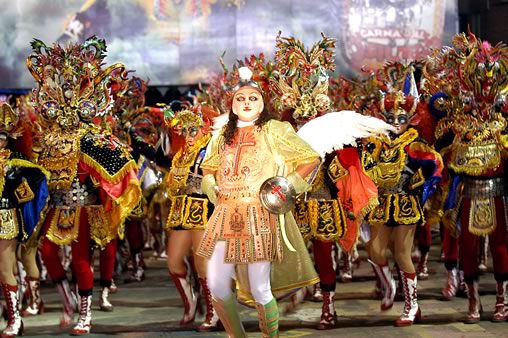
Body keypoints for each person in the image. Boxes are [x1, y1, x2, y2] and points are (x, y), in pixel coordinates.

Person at [28, 36, 141, 335]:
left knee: (80, 260)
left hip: (82, 207)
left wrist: (108, 188)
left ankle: (85, 314)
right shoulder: (48, 139)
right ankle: (67, 301)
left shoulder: (90, 138)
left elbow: (120, 164)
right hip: (56, 204)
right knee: (48, 254)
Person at [196, 67, 320, 338]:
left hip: (259, 214)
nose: (246, 103)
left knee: (260, 287)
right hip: (226, 213)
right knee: (216, 285)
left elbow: (310, 158)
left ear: (262, 103)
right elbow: (208, 167)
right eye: (241, 98)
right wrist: (211, 186)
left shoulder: (274, 130)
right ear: (232, 104)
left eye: (253, 98)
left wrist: (283, 188)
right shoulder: (221, 136)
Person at [363, 65, 444, 326]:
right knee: (374, 251)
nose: (395, 122)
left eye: (401, 118)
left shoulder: (414, 144)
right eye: (390, 117)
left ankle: (412, 306)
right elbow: (366, 170)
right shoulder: (376, 144)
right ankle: (389, 287)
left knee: (401, 253)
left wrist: (424, 186)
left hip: (405, 204)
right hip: (381, 203)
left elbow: (436, 165)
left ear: (411, 118)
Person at [165, 106, 221, 331]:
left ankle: (214, 312)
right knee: (173, 260)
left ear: (205, 128)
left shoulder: (211, 149)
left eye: (193, 130)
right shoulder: (182, 153)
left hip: (204, 208)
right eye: (185, 131)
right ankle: (191, 302)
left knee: (202, 263)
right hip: (182, 209)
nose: (188, 136)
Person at [0, 103, 49, 338]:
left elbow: (39, 180)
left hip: (6, 219)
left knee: (7, 268)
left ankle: (16, 320)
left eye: (1, 137)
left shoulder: (17, 162)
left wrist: (19, 195)